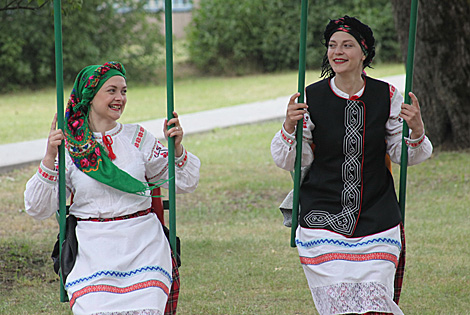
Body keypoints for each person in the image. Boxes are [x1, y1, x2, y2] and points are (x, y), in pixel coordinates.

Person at [271, 16, 433, 315]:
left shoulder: (386, 95)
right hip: (322, 221)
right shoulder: (311, 97)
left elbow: (404, 155)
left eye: (347, 45)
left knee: (374, 304)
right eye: (332, 45)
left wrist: (418, 130)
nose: (338, 52)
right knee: (341, 308)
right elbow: (291, 160)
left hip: (377, 218)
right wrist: (289, 126)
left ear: (365, 52)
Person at [24, 61, 200, 315]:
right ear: (89, 95)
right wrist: (51, 156)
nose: (120, 98)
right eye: (112, 90)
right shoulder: (71, 147)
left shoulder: (137, 138)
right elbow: (37, 208)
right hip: (92, 247)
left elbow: (185, 181)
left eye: (124, 91)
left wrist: (177, 148)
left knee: (146, 306)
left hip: (143, 243)